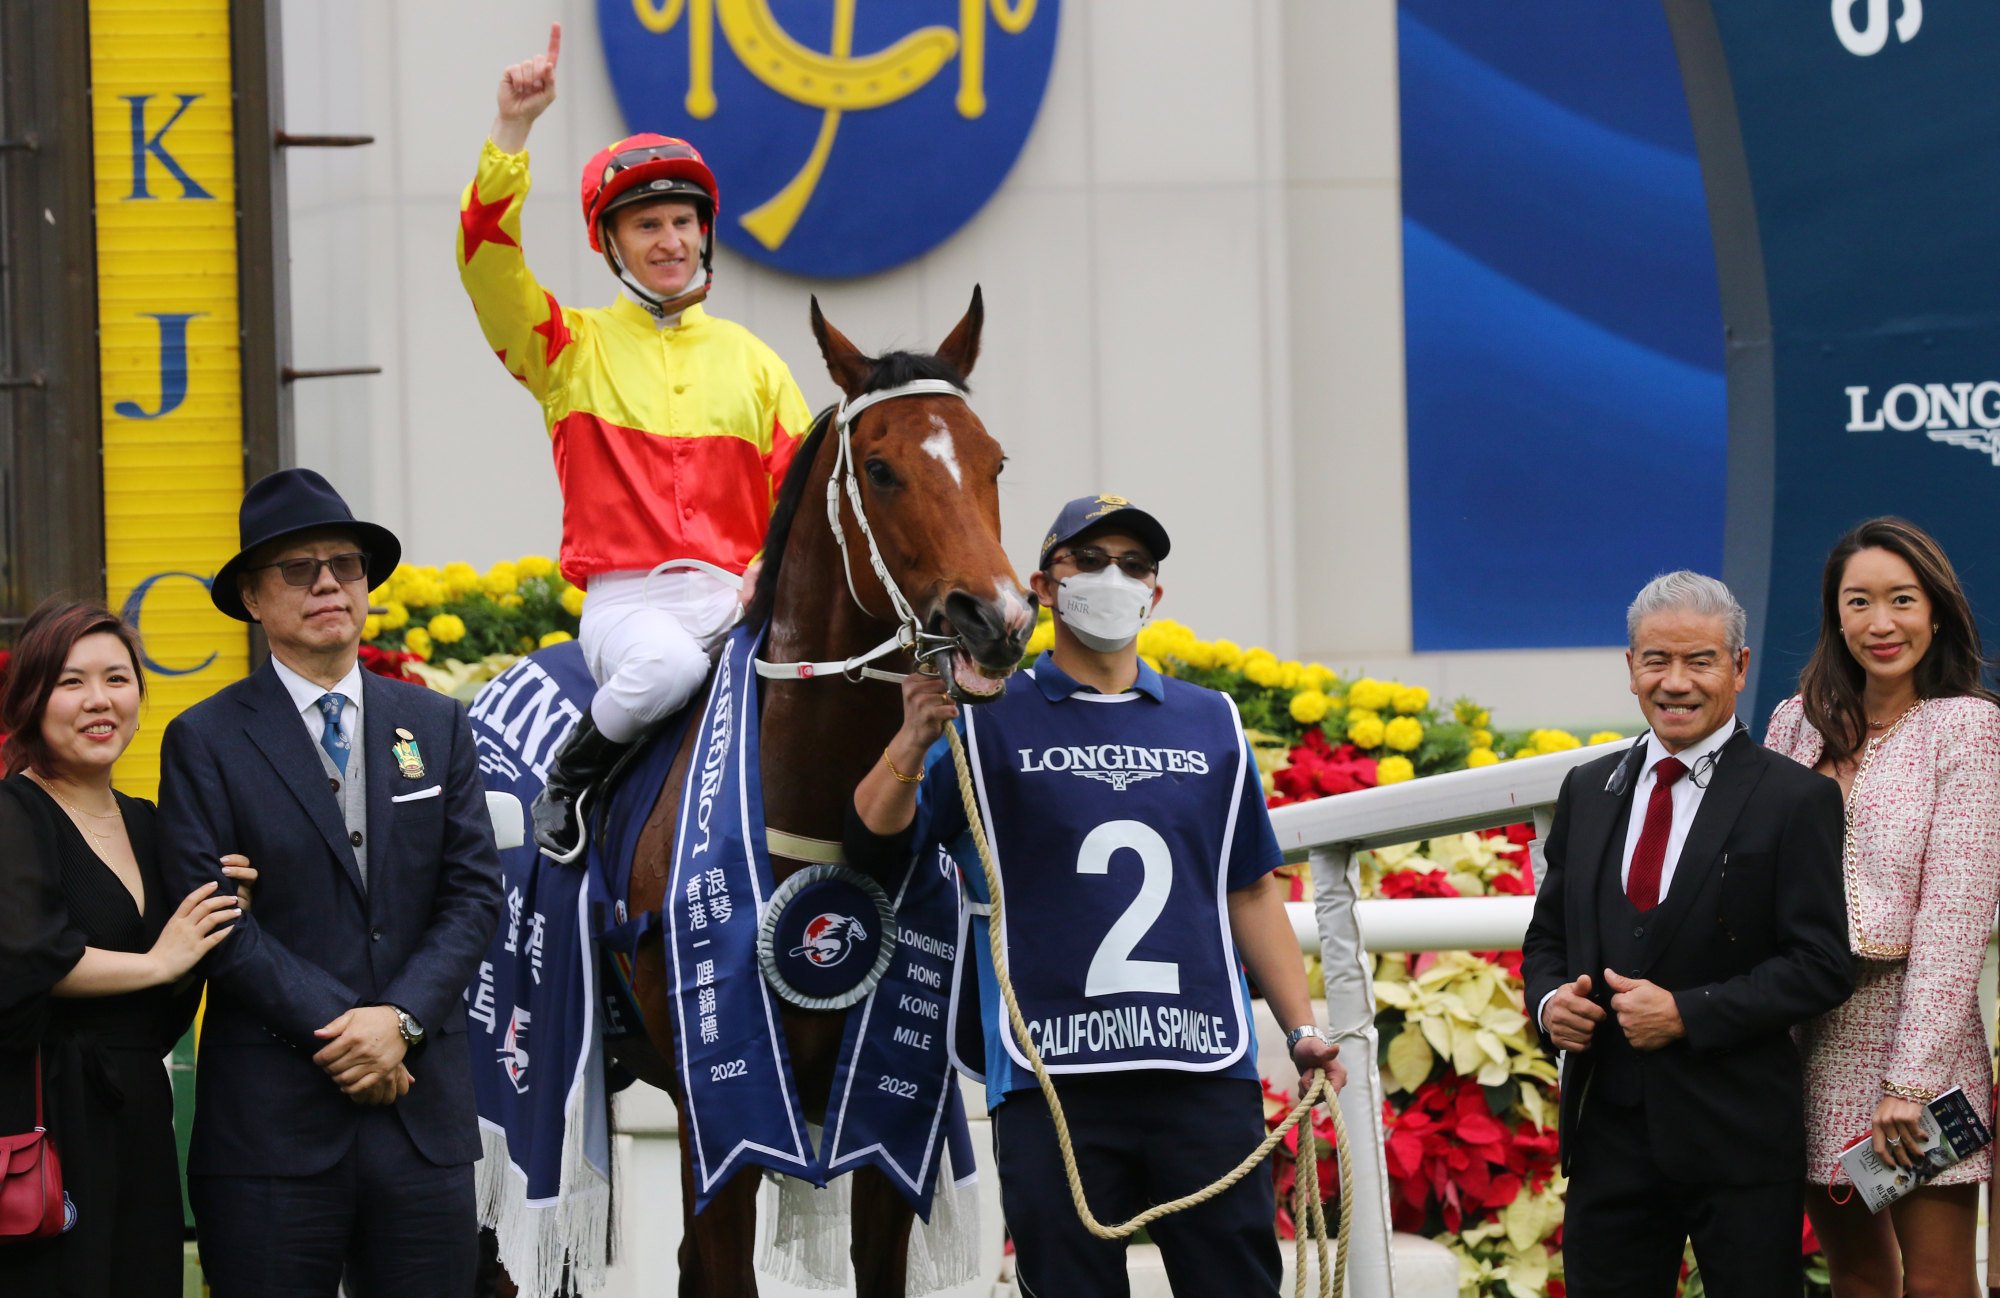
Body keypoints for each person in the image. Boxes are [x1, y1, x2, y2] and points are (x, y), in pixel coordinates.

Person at [844, 495, 1346, 1297]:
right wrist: (911, 736)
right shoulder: (980, 719)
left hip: (1201, 1067)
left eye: (1134, 565)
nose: (1114, 577)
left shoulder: (1211, 721)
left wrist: (1303, 1029)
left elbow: (1248, 889)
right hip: (1051, 1076)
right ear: (1043, 585)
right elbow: (872, 839)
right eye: (1089, 560)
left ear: (1155, 594)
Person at [459, 22, 811, 859]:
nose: (671, 241)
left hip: (738, 596)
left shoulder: (756, 363)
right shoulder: (564, 347)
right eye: (647, 224)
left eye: (684, 221)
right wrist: (513, 130)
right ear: (610, 242)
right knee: (667, 673)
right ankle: (570, 781)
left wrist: (769, 568)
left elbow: (800, 491)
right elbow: (485, 263)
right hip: (632, 604)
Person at [156, 468, 503, 1296]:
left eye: (344, 565)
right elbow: (215, 924)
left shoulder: (437, 724)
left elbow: (473, 895)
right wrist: (352, 1032)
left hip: (421, 1117)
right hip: (274, 1129)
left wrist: (403, 1021)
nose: (326, 584)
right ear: (251, 598)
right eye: (297, 569)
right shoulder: (203, 740)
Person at [1522, 570, 1853, 1298]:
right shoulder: (1588, 789)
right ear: (1630, 667)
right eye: (1656, 660)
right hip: (1607, 1133)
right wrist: (1551, 1004)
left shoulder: (1795, 798)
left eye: (1700, 661)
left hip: (1739, 1139)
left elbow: (1823, 965)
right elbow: (1547, 937)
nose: (1676, 682)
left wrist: (1686, 1013)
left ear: (1738, 667)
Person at [1764, 517, 2000, 1298]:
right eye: (1858, 602)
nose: (1881, 623)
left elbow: (1956, 918)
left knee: (1936, 1283)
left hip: (1917, 1040)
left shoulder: (1967, 727)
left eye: (1902, 600)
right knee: (1858, 1279)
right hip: (1806, 1036)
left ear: (1935, 611)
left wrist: (1911, 1082)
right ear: (1836, 615)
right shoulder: (1792, 723)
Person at [0, 600, 253, 1296]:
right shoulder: (15, 811)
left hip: (138, 1112)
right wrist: (156, 961)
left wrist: (225, 909)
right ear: (31, 697)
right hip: (42, 1117)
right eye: (71, 681)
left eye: (117, 678)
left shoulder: (151, 824)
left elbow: (176, 979)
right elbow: (27, 956)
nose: (98, 700)